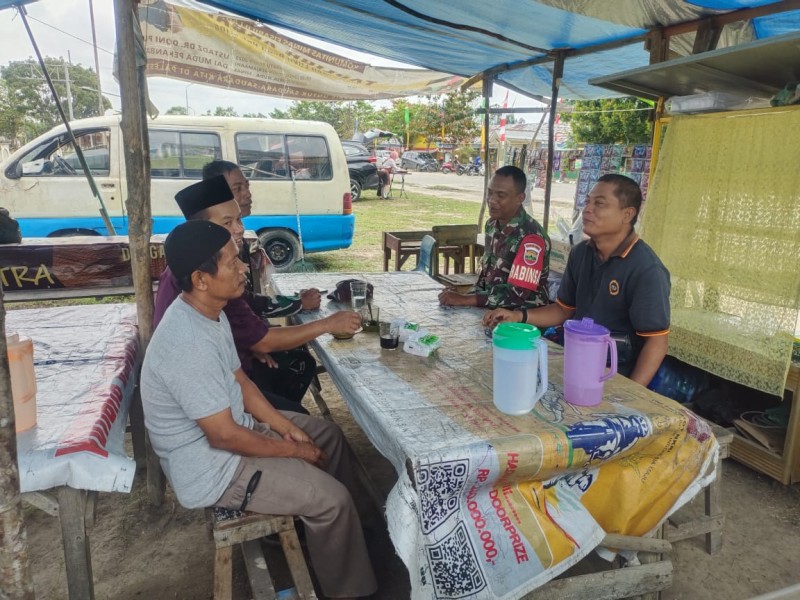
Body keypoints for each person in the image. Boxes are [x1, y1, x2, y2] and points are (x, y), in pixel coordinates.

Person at [141, 220, 377, 600]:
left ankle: (356, 534)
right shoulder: (186, 342)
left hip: (235, 431)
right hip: (214, 469)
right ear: (201, 279)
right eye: (232, 262)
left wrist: (287, 427)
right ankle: (351, 589)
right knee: (331, 500)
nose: (242, 269)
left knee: (327, 436)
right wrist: (295, 450)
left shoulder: (209, 312)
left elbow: (242, 381)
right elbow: (224, 436)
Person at [154, 176, 361, 413]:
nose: (239, 228)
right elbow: (264, 340)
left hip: (227, 369)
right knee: (299, 414)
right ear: (202, 229)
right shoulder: (210, 278)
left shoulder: (199, 262)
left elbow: (250, 317)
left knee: (296, 363)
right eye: (228, 223)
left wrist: (253, 343)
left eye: (239, 219)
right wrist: (329, 323)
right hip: (207, 392)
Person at [483, 174, 670, 387]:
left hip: (614, 374)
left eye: (599, 204)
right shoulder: (581, 254)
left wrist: (633, 393)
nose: (587, 209)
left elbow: (657, 341)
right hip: (575, 363)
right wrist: (517, 316)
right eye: (587, 201)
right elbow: (563, 311)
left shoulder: (645, 269)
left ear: (627, 214)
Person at [201, 160, 322, 316]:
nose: (247, 193)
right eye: (238, 189)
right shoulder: (212, 249)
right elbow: (253, 334)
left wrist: (296, 302)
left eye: (247, 186)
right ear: (216, 195)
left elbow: (248, 302)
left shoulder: (234, 240)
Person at [438, 165, 551, 310]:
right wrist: (464, 295)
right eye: (490, 193)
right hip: (490, 311)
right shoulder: (492, 225)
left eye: (501, 195)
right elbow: (486, 278)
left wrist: (466, 299)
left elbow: (517, 294)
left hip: (521, 322)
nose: (492, 200)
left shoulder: (531, 238)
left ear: (520, 198)